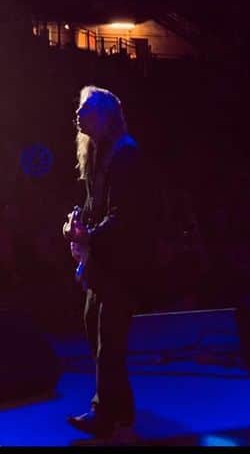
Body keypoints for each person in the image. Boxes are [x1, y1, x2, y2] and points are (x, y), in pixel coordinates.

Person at [64, 86, 154, 442]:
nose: (78, 115)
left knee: (108, 339)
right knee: (97, 329)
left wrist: (90, 237)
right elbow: (96, 205)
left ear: (104, 117)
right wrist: (75, 220)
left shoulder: (124, 155)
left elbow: (125, 216)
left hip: (122, 264)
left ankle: (104, 414)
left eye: (85, 110)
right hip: (105, 262)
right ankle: (122, 407)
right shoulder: (99, 152)